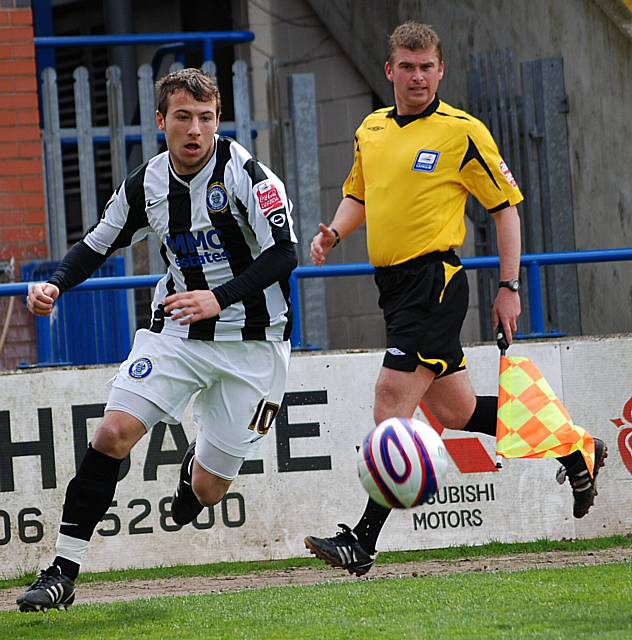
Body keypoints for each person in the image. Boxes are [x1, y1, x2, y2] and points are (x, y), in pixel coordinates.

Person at [304, 21, 606, 577]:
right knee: (458, 411)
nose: (417, 77)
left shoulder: (462, 131)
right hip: (393, 289)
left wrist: (510, 287)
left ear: (440, 71)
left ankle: (361, 541)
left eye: (427, 67)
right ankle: (574, 446)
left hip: (434, 283)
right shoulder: (371, 129)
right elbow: (358, 193)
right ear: (390, 70)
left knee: (390, 403)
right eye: (407, 67)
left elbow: (506, 209)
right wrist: (333, 234)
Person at [18, 68, 298, 612]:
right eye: (183, 118)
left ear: (218, 120)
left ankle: (195, 473)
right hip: (177, 332)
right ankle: (62, 570)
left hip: (256, 345)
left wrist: (220, 298)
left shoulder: (249, 175)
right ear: (160, 122)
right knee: (112, 434)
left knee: (211, 490)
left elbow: (284, 252)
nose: (196, 129)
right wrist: (54, 282)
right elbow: (97, 245)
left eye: (207, 118)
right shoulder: (144, 185)